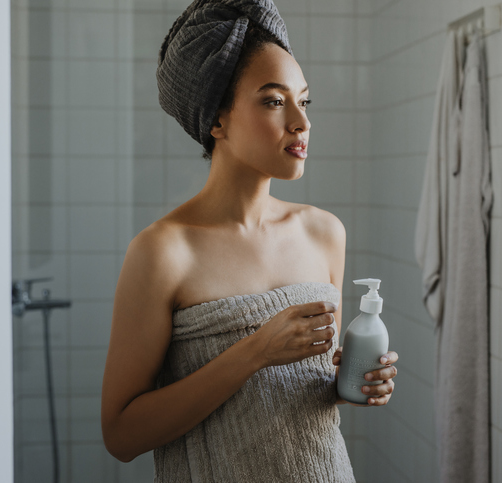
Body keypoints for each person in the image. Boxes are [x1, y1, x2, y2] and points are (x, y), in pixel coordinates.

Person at [101, 1, 399, 481]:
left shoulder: (324, 233)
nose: (301, 122)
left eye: (304, 100)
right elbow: (120, 436)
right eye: (274, 101)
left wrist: (355, 381)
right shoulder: (162, 252)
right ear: (216, 121)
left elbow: (311, 385)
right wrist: (256, 351)